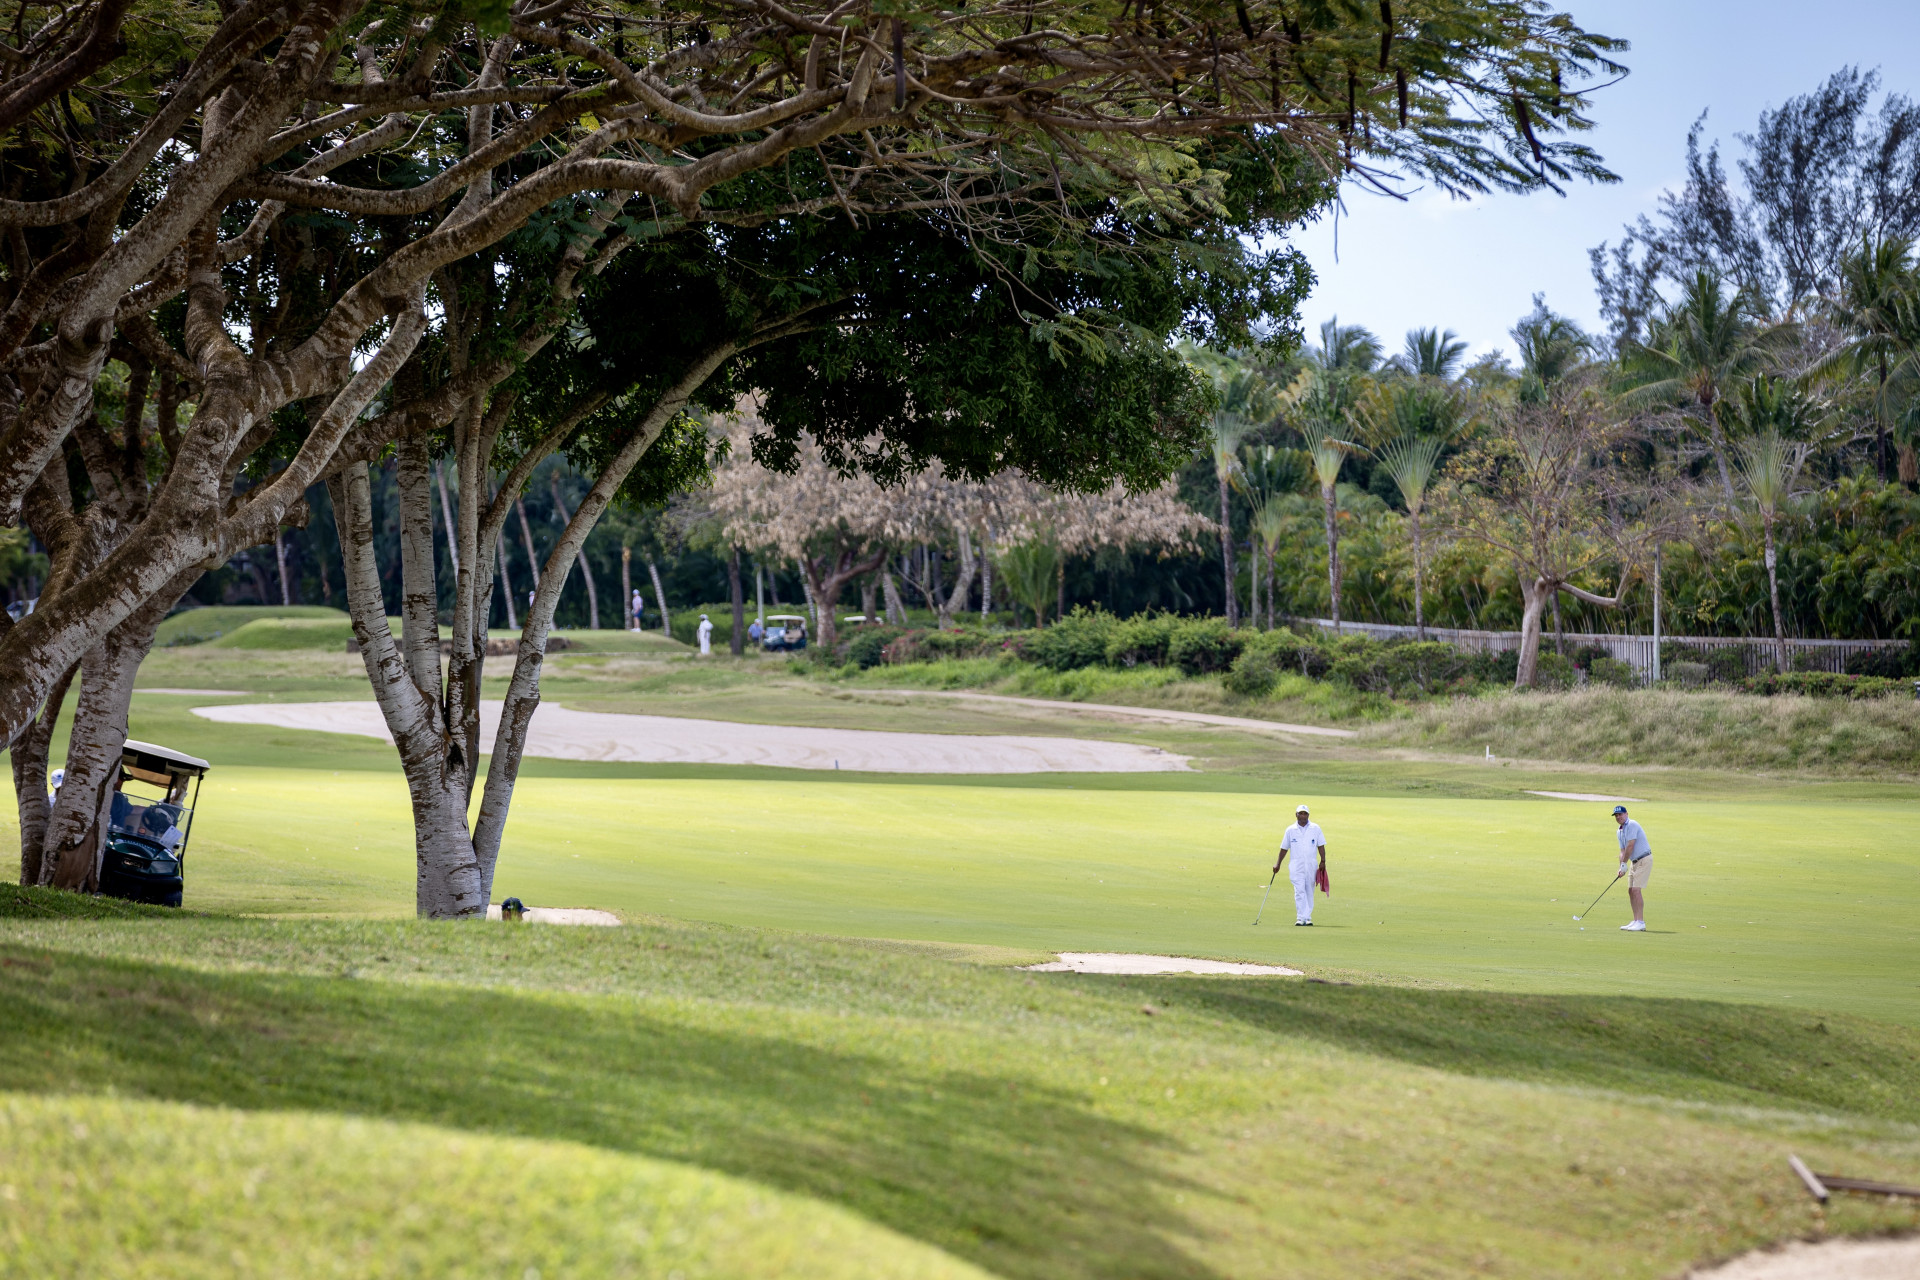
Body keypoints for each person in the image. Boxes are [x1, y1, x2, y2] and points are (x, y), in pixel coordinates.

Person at [1273, 803, 1327, 926]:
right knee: (1299, 890)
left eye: (1305, 813)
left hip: (1311, 864)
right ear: (1296, 815)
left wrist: (1323, 861)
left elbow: (1321, 845)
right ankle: (1301, 917)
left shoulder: (1315, 828)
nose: (1303, 816)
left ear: (1308, 815)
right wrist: (1278, 864)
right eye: (1300, 813)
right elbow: (1284, 848)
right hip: (1296, 865)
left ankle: (1307, 918)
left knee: (1309, 890)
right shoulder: (1290, 830)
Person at [1612, 804, 1651, 931]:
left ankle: (1641, 922)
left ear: (1626, 814)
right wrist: (1621, 867)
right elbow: (1622, 851)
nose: (1618, 817)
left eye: (1620, 814)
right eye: (1616, 815)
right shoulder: (1619, 831)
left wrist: (1624, 863)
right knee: (1630, 891)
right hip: (1634, 862)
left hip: (1644, 859)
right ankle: (1635, 921)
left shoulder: (1632, 824)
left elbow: (1630, 845)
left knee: (1636, 890)